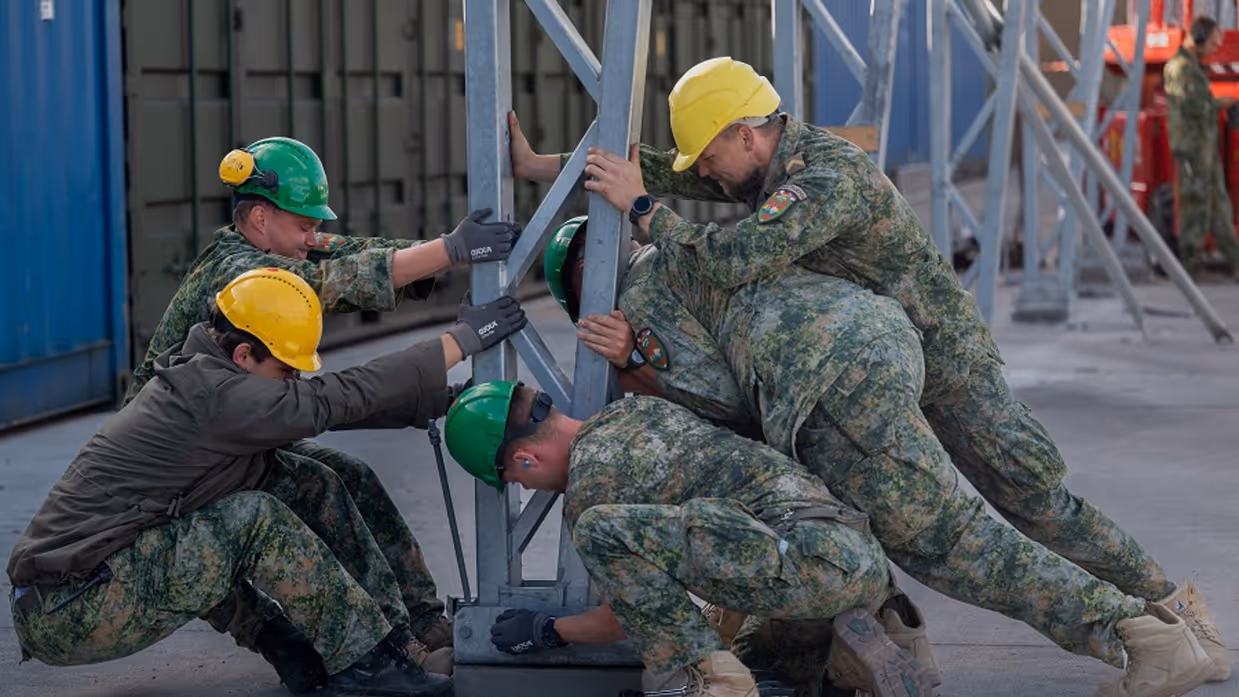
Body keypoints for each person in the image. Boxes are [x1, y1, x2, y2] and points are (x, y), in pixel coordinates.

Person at [509, 55, 1231, 682]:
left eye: (709, 157)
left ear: (746, 133)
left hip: (939, 363)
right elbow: (671, 169)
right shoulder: (760, 163)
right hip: (879, 358)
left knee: (1021, 509)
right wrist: (553, 167)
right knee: (931, 525)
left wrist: (640, 214)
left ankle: (1171, 617)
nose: (701, 173)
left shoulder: (823, 176)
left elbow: (726, 265)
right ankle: (1143, 632)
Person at [545, 217, 1219, 697]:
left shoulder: (636, 303)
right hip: (873, 344)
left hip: (830, 392)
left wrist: (637, 365)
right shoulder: (687, 246)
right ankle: (866, 637)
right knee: (857, 519)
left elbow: (720, 399)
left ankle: (1139, 635)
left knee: (955, 543)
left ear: (582, 289)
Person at [7, 268, 526, 695]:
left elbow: (310, 410)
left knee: (321, 477)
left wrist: (437, 402)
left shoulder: (216, 379)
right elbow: (327, 401)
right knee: (253, 519)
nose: (294, 380)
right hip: (68, 607)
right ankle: (368, 666)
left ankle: (406, 631)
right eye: (286, 370)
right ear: (243, 356)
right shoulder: (212, 396)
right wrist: (457, 342)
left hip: (112, 573)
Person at [125, 136, 523, 669]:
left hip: (222, 433)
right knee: (322, 488)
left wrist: (442, 255)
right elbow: (323, 282)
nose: (312, 236)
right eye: (304, 225)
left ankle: (425, 623)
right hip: (177, 463)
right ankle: (392, 647)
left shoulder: (262, 240)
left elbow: (347, 251)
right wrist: (451, 252)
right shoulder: (236, 271)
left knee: (352, 477)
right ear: (261, 217)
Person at [444, 381, 934, 697]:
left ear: (524, 460)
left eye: (512, 479)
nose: (523, 488)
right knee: (759, 658)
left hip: (800, 567)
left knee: (602, 532)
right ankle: (866, 650)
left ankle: (707, 688)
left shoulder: (591, 489)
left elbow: (631, 618)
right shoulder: (642, 412)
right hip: (854, 555)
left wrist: (548, 630)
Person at [1164, 14, 1239, 279]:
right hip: (1193, 151)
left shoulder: (1193, 67)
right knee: (1195, 208)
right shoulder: (1181, 68)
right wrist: (1224, 103)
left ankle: (1235, 262)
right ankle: (1190, 271)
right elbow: (1193, 106)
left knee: (1220, 207)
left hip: (1205, 151)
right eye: (1213, 43)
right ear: (1199, 38)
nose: (1215, 49)